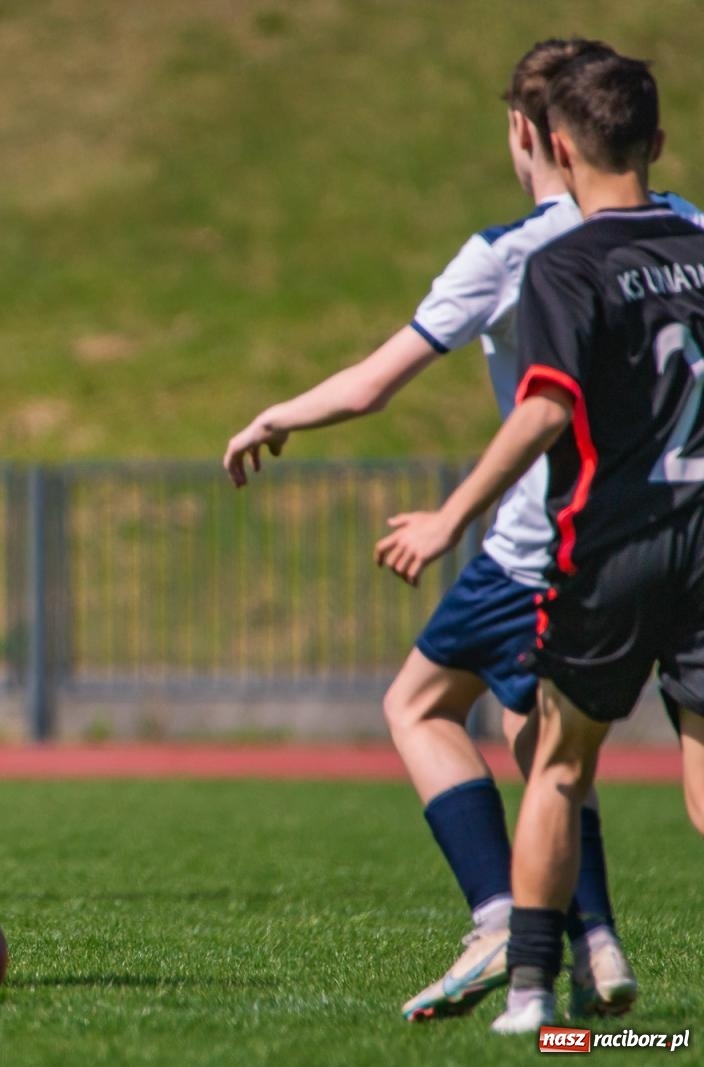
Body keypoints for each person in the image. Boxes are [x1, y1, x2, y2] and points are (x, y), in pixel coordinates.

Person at [222, 39, 702, 1022]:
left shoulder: (526, 254)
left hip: (558, 541)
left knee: (479, 728)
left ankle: (515, 938)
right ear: (648, 135)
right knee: (546, 743)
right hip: (685, 529)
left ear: (533, 136)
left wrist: (281, 416)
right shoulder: (691, 227)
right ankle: (593, 942)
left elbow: (383, 385)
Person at [373, 51, 704, 1033]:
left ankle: (531, 996)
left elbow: (546, 407)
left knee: (557, 761)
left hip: (611, 544)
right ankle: (588, 948)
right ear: (655, 141)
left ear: (553, 145)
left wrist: (450, 513)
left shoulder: (561, 261)